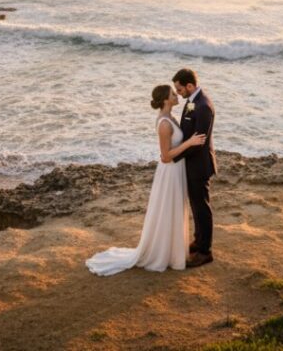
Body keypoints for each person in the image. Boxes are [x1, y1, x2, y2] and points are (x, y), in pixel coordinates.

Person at [85, 84, 206, 276]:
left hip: (177, 171)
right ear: (166, 100)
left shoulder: (171, 117)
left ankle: (173, 251)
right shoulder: (164, 123)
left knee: (174, 210)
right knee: (168, 210)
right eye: (173, 94)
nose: (177, 95)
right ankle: (162, 253)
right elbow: (165, 156)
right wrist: (189, 143)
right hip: (170, 172)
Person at [172, 68, 217, 268]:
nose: (178, 93)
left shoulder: (203, 106)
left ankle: (205, 251)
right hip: (191, 165)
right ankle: (198, 241)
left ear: (190, 85)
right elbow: (187, 130)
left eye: (180, 89)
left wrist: (174, 156)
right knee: (195, 206)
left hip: (199, 166)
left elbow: (198, 142)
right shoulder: (191, 102)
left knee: (202, 209)